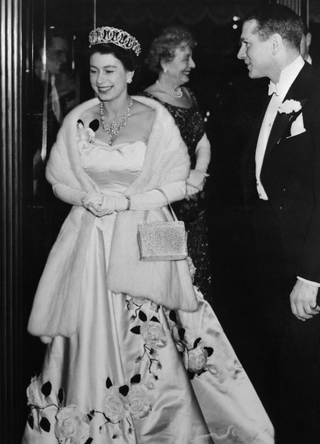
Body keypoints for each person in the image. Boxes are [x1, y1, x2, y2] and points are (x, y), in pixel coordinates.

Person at [21, 26, 274, 444]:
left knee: (156, 333)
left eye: (110, 71)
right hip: (89, 244)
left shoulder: (155, 119)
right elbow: (57, 179)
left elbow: (178, 184)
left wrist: (124, 203)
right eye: (94, 71)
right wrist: (85, 197)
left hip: (145, 237)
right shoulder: (79, 117)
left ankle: (162, 429)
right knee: (86, 334)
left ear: (130, 73)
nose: (101, 80)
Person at [238, 4, 320, 443]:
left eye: (246, 43)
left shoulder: (316, 93)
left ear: (274, 43)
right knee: (279, 369)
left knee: (305, 376)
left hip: (305, 260)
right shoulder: (270, 94)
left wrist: (312, 276)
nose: (240, 53)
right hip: (269, 253)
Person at [139, 26, 212, 302]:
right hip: (162, 210)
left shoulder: (189, 95)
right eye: (186, 59)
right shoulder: (145, 103)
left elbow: (203, 142)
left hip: (194, 211)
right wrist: (185, 179)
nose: (192, 65)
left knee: (197, 289)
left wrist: (199, 173)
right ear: (165, 63)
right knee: (166, 290)